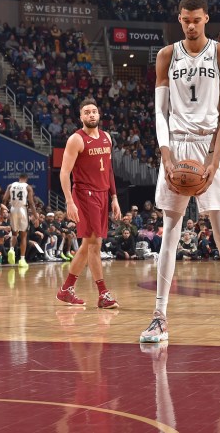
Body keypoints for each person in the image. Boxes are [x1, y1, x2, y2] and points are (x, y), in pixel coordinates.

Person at [140, 0, 220, 344]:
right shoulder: (165, 55)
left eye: (197, 19)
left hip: (208, 146)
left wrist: (213, 159)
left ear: (207, 18)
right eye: (186, 20)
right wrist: (166, 155)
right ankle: (159, 317)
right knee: (169, 235)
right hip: (175, 145)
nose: (191, 25)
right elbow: (160, 112)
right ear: (179, 19)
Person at [56, 98, 122, 309]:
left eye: (94, 111)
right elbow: (64, 173)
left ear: (99, 114)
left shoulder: (107, 138)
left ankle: (66, 290)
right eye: (87, 112)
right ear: (81, 117)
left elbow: (109, 171)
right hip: (85, 195)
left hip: (103, 195)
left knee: (86, 246)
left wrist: (114, 197)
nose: (91, 115)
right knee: (94, 244)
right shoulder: (76, 139)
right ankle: (103, 294)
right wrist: (69, 201)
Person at [2, 174, 38, 267]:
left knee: (14, 233)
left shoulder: (11, 185)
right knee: (23, 236)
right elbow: (31, 203)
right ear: (26, 179)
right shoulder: (27, 187)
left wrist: (2, 211)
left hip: (13, 209)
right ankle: (22, 259)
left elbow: (4, 199)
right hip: (22, 209)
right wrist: (36, 217)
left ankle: (11, 249)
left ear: (19, 179)